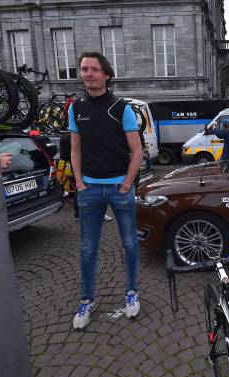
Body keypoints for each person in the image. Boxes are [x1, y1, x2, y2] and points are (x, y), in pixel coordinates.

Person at [68, 51, 143, 329]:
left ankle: (132, 293)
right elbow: (75, 150)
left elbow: (137, 151)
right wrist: (78, 182)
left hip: (118, 189)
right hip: (88, 190)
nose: (88, 74)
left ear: (106, 75)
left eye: (94, 69)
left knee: (130, 244)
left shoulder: (121, 107)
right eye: (84, 69)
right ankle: (87, 300)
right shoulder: (76, 108)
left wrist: (126, 184)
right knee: (88, 250)